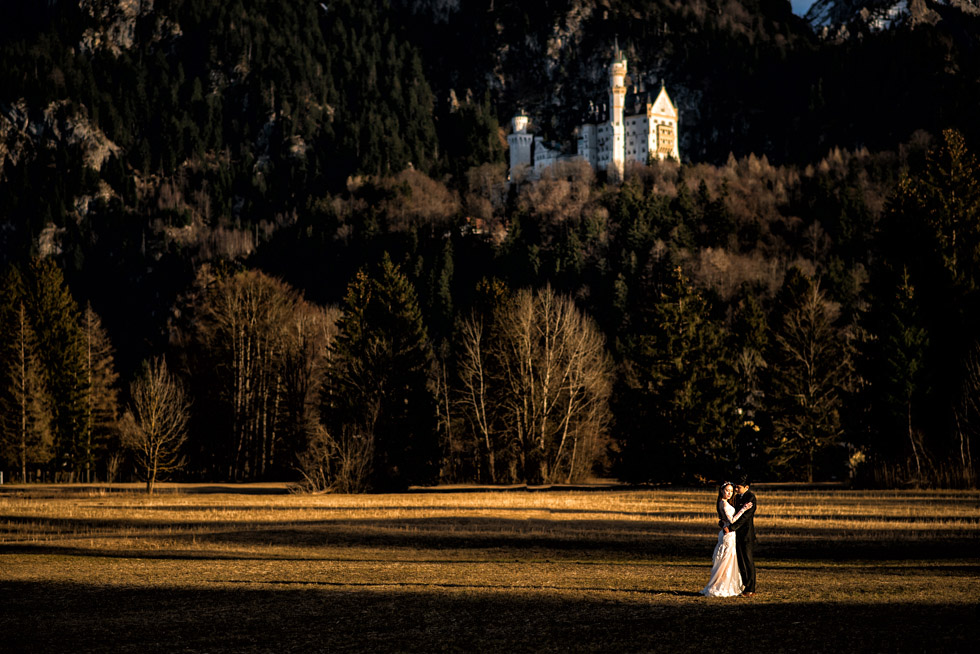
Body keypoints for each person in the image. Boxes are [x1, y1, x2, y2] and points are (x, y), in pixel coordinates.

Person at [700, 481, 753, 597]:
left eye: (731, 491)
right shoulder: (723, 504)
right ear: (721, 491)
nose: (729, 493)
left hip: (729, 533)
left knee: (729, 560)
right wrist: (743, 509)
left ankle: (726, 584)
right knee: (726, 561)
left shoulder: (725, 503)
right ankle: (719, 585)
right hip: (728, 535)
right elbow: (732, 520)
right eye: (726, 491)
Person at [728, 477, 758, 596]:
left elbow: (746, 516)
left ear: (746, 487)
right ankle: (744, 585)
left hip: (746, 534)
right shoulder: (735, 498)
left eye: (738, 487)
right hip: (735, 535)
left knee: (748, 560)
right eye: (735, 487)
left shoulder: (750, 497)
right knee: (740, 561)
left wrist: (733, 527)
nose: (736, 489)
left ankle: (751, 588)